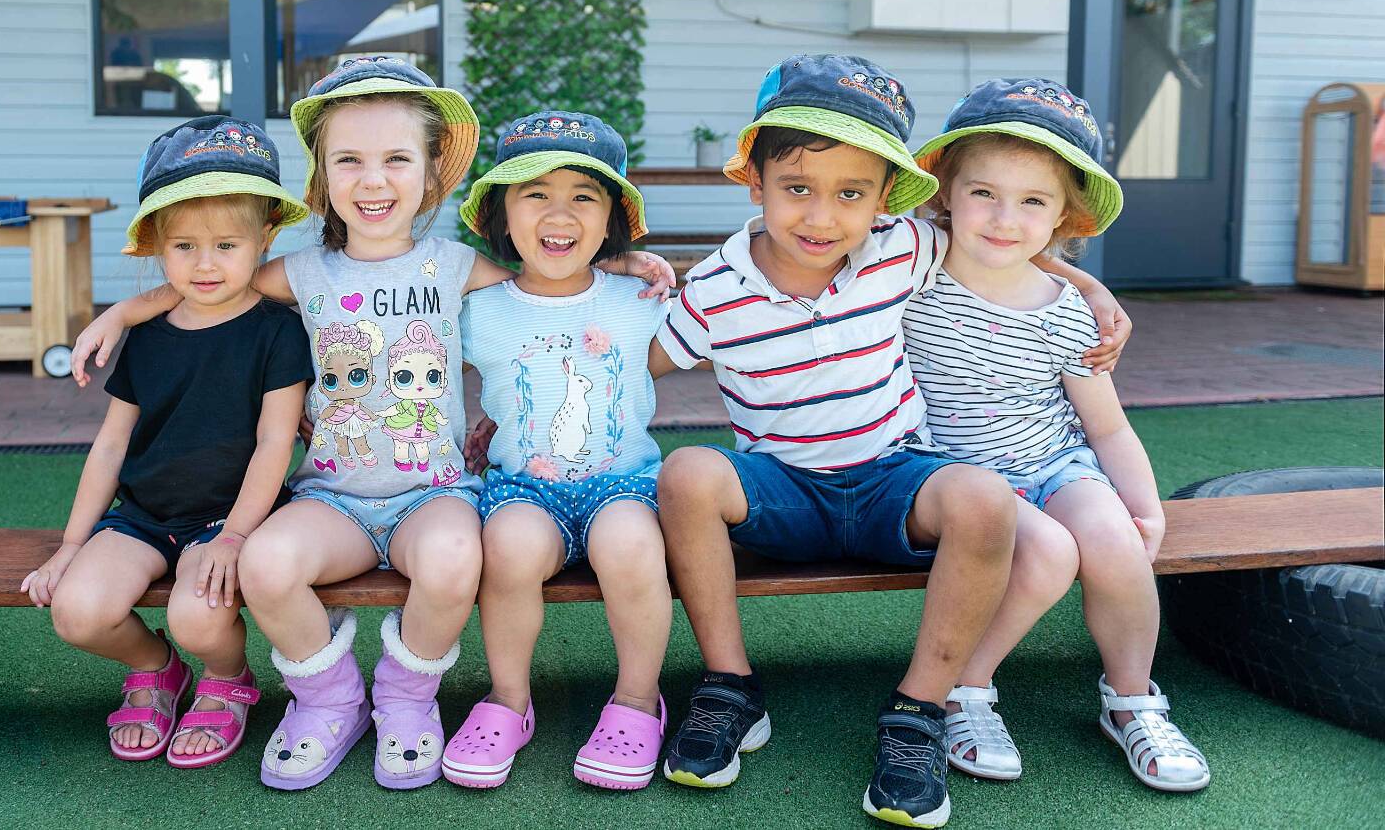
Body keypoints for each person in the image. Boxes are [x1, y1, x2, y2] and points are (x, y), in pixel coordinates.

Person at [72, 57, 673, 791]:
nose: (374, 179)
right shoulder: (298, 273)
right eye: (348, 160)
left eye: (396, 159)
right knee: (264, 564)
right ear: (322, 179)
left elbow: (553, 276)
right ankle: (329, 701)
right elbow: (205, 288)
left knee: (458, 557)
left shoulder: (457, 265)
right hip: (334, 499)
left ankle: (405, 698)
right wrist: (122, 311)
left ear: (430, 174)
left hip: (434, 494)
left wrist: (621, 258)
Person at [651, 55, 1129, 828]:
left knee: (981, 496)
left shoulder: (903, 248)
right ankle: (730, 686)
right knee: (689, 471)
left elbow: (1004, 238)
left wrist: (1092, 289)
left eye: (851, 194)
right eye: (797, 189)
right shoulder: (712, 288)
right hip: (783, 489)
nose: (821, 217)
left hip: (891, 480)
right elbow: (630, 367)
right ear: (756, 183)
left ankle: (920, 713)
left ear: (884, 201)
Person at [904, 78, 1209, 793]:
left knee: (1114, 541)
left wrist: (1148, 508)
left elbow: (1105, 423)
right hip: (954, 478)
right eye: (985, 194)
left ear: (1064, 215)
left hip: (1052, 461)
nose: (1005, 218)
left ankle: (1132, 700)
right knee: (1050, 551)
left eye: (1033, 202)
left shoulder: (1069, 311)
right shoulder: (911, 268)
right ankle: (964, 687)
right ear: (945, 190)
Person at [22, 115, 312, 769]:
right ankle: (156, 670)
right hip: (143, 517)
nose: (204, 264)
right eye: (183, 247)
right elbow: (110, 444)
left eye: (226, 246)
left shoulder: (278, 332)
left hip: (226, 517)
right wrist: (72, 545)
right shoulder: (149, 336)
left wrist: (237, 535)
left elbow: (275, 446)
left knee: (199, 617)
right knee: (78, 612)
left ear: (265, 237)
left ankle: (225, 678)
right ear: (157, 244)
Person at [443, 112, 670, 791]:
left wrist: (633, 264)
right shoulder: (475, 306)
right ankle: (509, 701)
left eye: (584, 196)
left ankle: (636, 699)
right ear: (501, 219)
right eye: (534, 194)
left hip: (623, 485)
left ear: (610, 222)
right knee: (508, 549)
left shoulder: (641, 299)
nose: (559, 212)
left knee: (631, 548)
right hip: (523, 490)